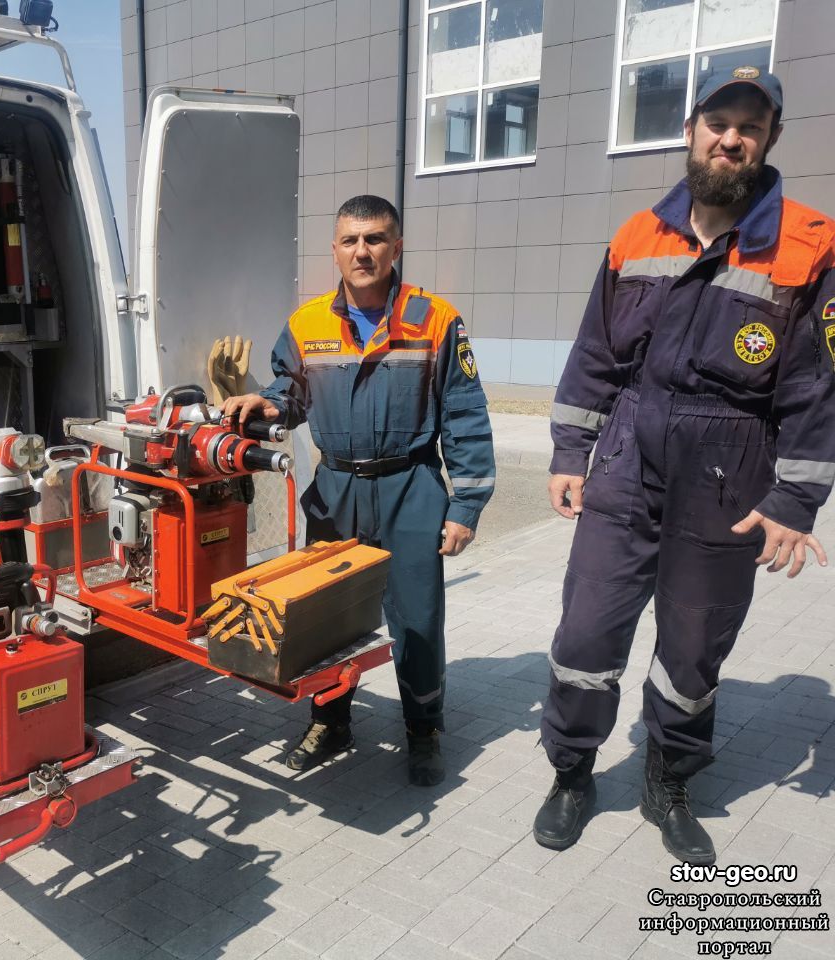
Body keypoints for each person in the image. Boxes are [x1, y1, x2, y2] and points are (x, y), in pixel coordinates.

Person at [534, 67, 835, 865]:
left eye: (750, 127)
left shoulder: (810, 246)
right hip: (627, 455)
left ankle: (668, 780)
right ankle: (571, 772)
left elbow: (817, 384)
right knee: (586, 631)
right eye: (718, 122)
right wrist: (570, 451)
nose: (730, 139)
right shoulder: (638, 235)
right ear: (691, 129)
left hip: (730, 468)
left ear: (770, 139)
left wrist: (796, 498)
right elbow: (595, 352)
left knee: (695, 646)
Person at [223, 194, 496, 784]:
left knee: (417, 619)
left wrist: (466, 505)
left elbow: (466, 415)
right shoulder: (308, 324)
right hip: (337, 490)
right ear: (335, 250)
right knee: (325, 619)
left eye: (374, 239)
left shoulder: (435, 320)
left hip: (410, 489)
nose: (362, 251)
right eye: (350, 240)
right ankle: (331, 721)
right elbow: (290, 393)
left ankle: (423, 730)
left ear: (397, 247)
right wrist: (264, 404)